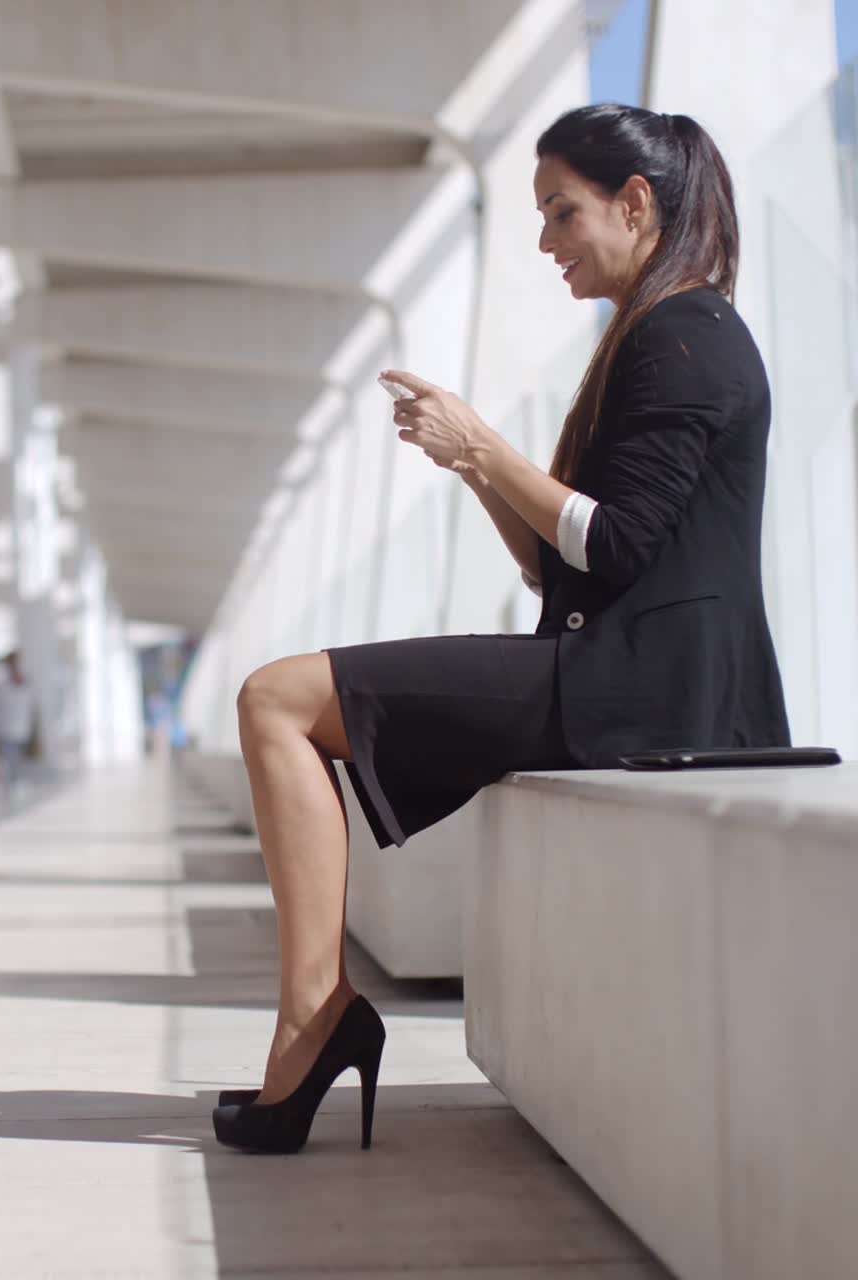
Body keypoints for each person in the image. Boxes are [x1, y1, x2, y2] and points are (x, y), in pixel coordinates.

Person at [210, 104, 790, 1155]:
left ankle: (314, 1015)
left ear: (635, 201)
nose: (543, 242)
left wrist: (482, 445)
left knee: (273, 698)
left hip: (630, 689)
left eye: (560, 212)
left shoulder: (684, 336)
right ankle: (313, 1014)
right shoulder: (662, 331)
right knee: (277, 699)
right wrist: (471, 467)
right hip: (616, 673)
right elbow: (554, 558)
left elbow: (610, 546)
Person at [0, 652, 35, 792]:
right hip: (6, 730)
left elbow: (28, 706)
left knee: (19, 759)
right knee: (11, 759)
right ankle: (14, 784)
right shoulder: (1, 685)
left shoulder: (25, 683)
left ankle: (16, 782)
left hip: (21, 728)